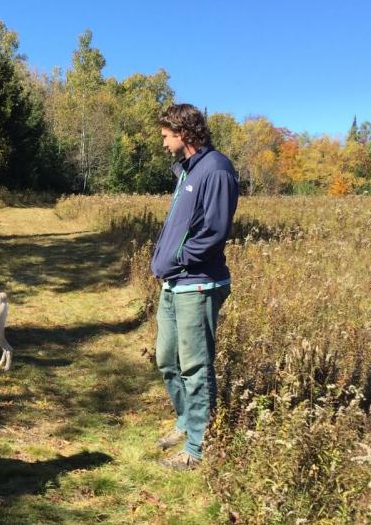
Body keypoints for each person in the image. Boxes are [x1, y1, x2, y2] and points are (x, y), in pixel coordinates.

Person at [150, 103, 238, 471]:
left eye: (167, 136)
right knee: (166, 358)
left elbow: (215, 231)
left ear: (183, 133)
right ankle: (186, 423)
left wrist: (177, 258)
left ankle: (198, 448)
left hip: (198, 285)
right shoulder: (188, 171)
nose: (164, 143)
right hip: (174, 284)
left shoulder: (216, 169)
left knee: (196, 366)